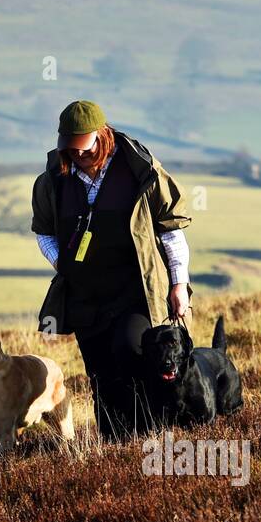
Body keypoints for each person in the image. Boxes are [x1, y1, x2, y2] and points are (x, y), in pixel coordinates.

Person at [31, 100, 193, 441]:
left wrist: (179, 283)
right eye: (71, 150)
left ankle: (149, 438)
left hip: (136, 290)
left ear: (102, 136)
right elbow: (43, 231)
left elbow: (170, 229)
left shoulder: (141, 170)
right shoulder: (52, 181)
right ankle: (115, 445)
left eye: (85, 149)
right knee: (101, 374)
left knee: (132, 354)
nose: (79, 156)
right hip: (86, 296)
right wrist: (63, 263)